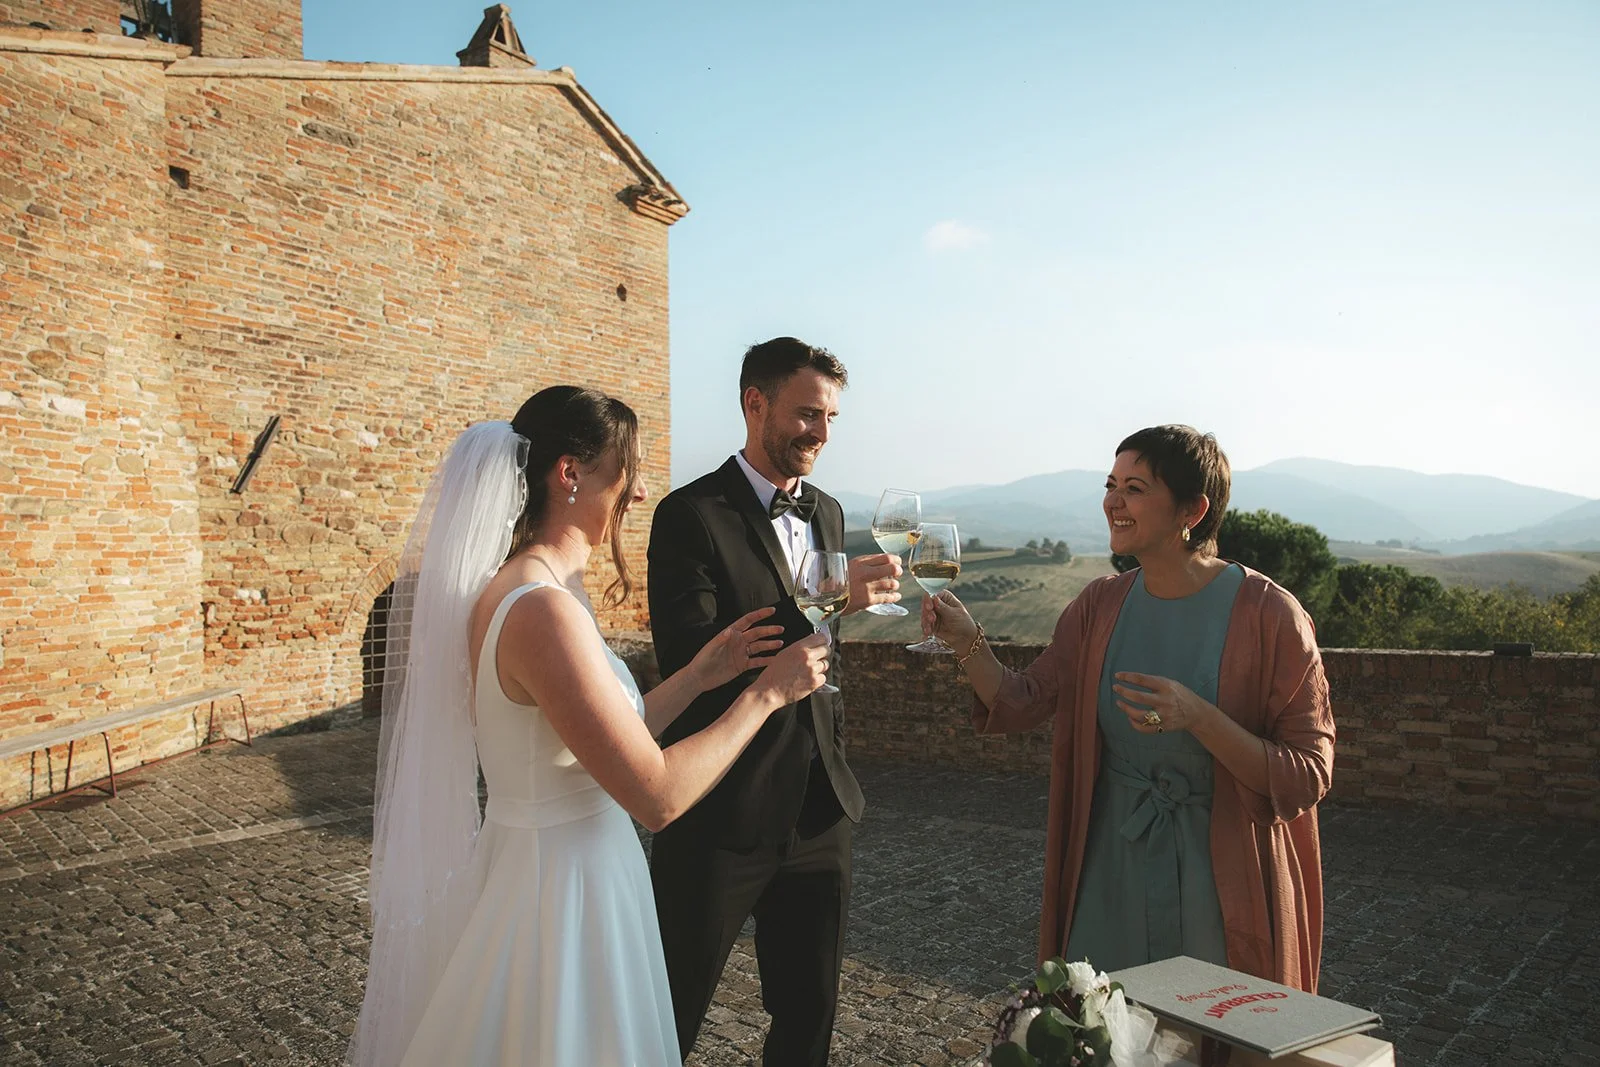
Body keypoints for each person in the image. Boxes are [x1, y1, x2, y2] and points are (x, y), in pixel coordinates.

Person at [348, 386, 832, 1067]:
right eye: (623, 468)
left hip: (557, 866)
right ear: (569, 473)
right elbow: (655, 795)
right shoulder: (541, 610)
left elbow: (595, 740)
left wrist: (700, 673)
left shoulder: (523, 587)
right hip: (563, 896)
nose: (635, 494)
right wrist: (766, 694)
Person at [922, 425, 1335, 992]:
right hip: (1110, 865)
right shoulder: (1099, 605)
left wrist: (1201, 717)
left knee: (1208, 1036)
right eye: (1111, 484)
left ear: (1193, 508)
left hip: (1222, 875)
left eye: (1135, 488)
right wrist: (966, 640)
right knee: (1106, 1030)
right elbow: (1021, 700)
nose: (1112, 501)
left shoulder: (1271, 615)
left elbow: (1308, 775)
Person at [647, 338, 903, 1066]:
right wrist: (830, 600)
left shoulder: (827, 511)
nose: (820, 433)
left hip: (821, 813)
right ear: (753, 403)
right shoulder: (689, 515)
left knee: (807, 1022)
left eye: (829, 417)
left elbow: (822, 655)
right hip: (719, 812)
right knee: (667, 1013)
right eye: (805, 414)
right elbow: (697, 656)